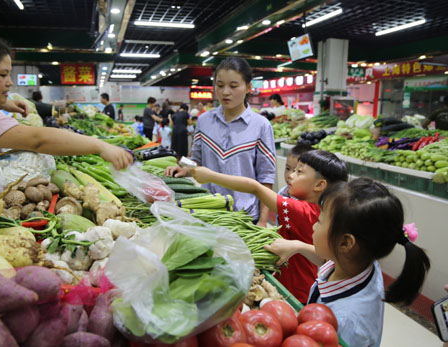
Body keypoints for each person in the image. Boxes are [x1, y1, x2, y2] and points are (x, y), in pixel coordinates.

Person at [0, 32, 132, 169]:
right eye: (2, 75)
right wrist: (100, 146)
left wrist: (0, 103)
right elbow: (38, 140)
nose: (9, 83)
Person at [267, 178, 430, 346]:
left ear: (346, 243)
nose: (314, 227)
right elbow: (326, 260)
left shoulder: (344, 322)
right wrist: (297, 246)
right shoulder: (358, 262)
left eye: (320, 221)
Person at [190, 150, 349, 304]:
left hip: (295, 289)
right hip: (295, 282)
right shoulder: (316, 210)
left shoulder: (303, 211)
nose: (290, 176)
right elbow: (323, 257)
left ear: (319, 184)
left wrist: (210, 176)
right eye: (291, 170)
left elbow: (255, 188)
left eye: (299, 172)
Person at [166, 57, 277, 227]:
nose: (225, 92)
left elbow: (266, 178)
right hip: (210, 212)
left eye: (233, 86)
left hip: (246, 218)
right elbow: (196, 162)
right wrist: (182, 169)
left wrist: (262, 221)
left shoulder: (261, 126)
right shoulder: (204, 121)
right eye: (219, 85)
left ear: (248, 87)